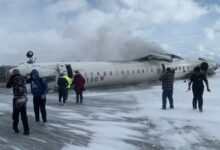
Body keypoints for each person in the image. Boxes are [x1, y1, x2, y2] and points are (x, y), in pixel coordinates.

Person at [6, 69, 30, 135]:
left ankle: (15, 128)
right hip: (23, 98)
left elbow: (8, 86)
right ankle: (26, 130)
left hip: (17, 99)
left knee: (15, 115)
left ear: (13, 73)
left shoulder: (13, 78)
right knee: (24, 115)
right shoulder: (22, 77)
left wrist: (11, 77)